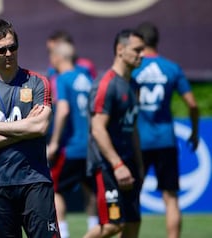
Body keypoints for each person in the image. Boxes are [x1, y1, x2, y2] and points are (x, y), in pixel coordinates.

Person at [0, 19, 60, 238]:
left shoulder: (37, 82)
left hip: (34, 180)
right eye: (1, 50)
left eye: (12, 47)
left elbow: (41, 125)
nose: (8, 53)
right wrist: (23, 132)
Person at [131, 22, 199, 238]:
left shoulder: (133, 68)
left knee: (132, 196)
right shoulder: (172, 68)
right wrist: (195, 131)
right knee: (170, 197)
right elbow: (193, 104)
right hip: (165, 140)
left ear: (139, 42)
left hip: (138, 140)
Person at [83, 29, 145, 238]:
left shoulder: (134, 85)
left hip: (129, 166)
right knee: (112, 224)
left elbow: (132, 128)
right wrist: (118, 165)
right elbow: (97, 128)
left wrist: (139, 165)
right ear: (120, 49)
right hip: (108, 166)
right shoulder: (106, 84)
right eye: (137, 50)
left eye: (143, 50)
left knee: (132, 224)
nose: (142, 54)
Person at [47, 41, 97, 238]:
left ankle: (64, 234)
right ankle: (94, 230)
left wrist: (55, 142)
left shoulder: (62, 79)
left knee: (56, 190)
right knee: (91, 190)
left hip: (70, 146)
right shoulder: (86, 77)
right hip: (91, 146)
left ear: (58, 57)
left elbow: (63, 110)